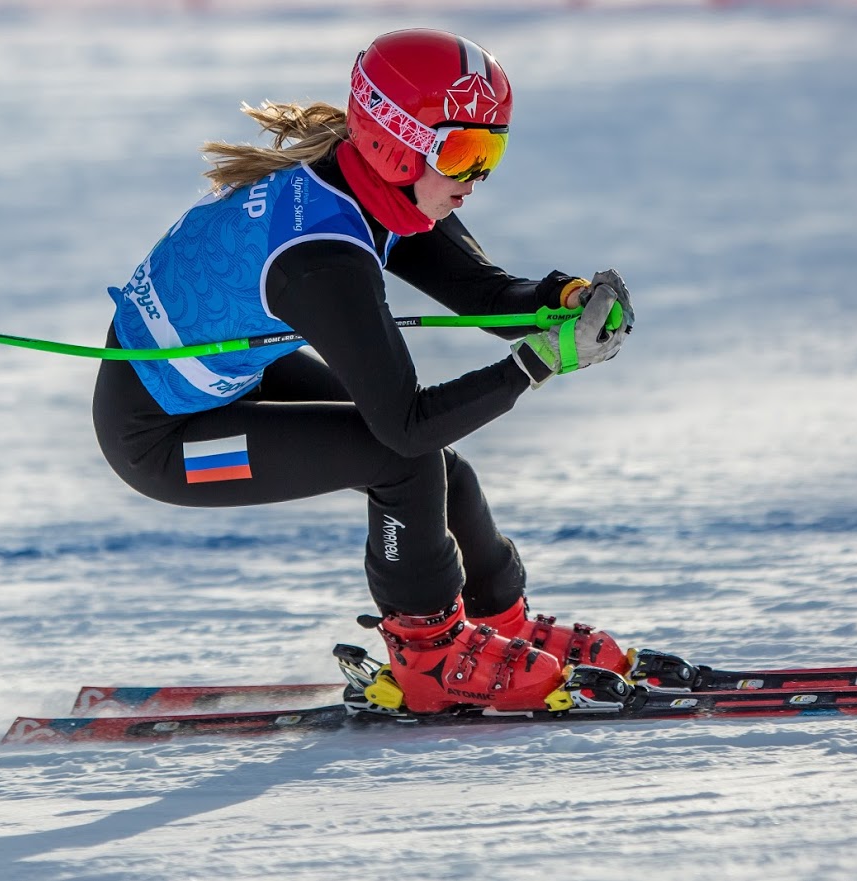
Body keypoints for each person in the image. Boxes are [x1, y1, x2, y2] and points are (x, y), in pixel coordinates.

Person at [92, 28, 635, 715]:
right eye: (462, 153)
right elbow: (407, 426)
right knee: (406, 462)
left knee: (441, 470)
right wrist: (535, 362)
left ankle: (498, 621)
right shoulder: (321, 258)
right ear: (396, 142)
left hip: (224, 377)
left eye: (490, 152)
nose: (475, 180)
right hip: (161, 439)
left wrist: (561, 301)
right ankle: (429, 658)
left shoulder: (373, 184)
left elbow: (485, 294)